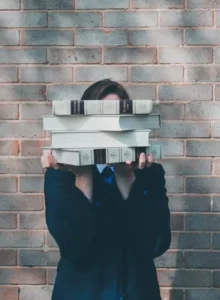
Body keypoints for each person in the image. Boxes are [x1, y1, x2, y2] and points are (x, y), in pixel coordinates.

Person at [41, 79, 171, 300]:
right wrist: (82, 177)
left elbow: (155, 245)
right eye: (101, 120)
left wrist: (127, 178)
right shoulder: (63, 175)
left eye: (117, 120)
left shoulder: (149, 175)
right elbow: (74, 246)